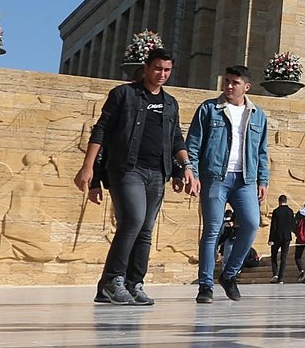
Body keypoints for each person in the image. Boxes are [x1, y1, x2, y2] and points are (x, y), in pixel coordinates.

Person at [73, 49, 194, 305]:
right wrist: (89, 168)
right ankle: (113, 280)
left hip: (157, 172)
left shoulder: (170, 103)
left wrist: (184, 168)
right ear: (146, 67)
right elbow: (102, 130)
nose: (162, 74)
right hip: (127, 169)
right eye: (157, 68)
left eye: (167, 70)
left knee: (146, 230)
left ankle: (133, 283)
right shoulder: (124, 94)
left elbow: (175, 138)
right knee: (133, 221)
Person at [186, 65, 270, 303]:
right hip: (215, 177)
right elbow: (193, 144)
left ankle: (229, 274)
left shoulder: (258, 115)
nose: (229, 86)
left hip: (245, 180)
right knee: (213, 229)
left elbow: (262, 151)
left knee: (251, 224)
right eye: (227, 81)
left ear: (247, 87)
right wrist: (192, 173)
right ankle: (205, 285)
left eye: (235, 82)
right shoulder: (209, 109)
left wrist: (263, 179)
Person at [268, 195, 294, 284]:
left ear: (279, 201)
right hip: (287, 237)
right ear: (286, 201)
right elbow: (292, 224)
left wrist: (270, 239)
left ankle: (275, 274)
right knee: (284, 257)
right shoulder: (290, 211)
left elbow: (274, 226)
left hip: (277, 237)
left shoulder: (276, 211)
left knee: (274, 255)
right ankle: (281, 278)